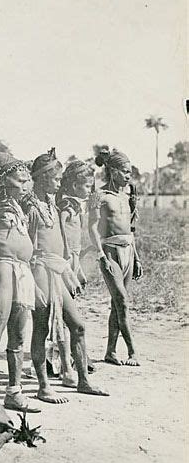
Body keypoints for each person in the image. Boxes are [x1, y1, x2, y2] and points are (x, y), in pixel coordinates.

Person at [22, 148, 108, 396]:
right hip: (40, 271)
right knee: (41, 328)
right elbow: (27, 248)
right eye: (56, 179)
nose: (60, 184)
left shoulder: (51, 204)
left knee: (77, 326)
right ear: (41, 178)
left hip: (57, 271)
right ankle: (43, 386)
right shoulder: (30, 208)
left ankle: (82, 381)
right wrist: (34, 284)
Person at [0, 152, 40, 412]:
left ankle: (13, 391)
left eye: (27, 181)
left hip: (23, 271)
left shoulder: (19, 206)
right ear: (2, 180)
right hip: (2, 268)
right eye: (19, 180)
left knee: (19, 333)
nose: (25, 185)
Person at [88, 148, 143, 366]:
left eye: (130, 172)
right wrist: (101, 255)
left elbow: (131, 230)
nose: (128, 176)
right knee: (122, 300)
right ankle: (132, 351)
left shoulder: (128, 194)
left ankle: (110, 351)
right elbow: (91, 228)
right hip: (109, 251)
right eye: (124, 171)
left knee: (116, 304)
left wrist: (137, 258)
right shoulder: (98, 196)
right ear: (112, 171)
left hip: (128, 251)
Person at [56, 159, 97, 377]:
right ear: (74, 186)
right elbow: (62, 231)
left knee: (69, 310)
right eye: (86, 186)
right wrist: (67, 262)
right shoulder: (66, 205)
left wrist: (78, 268)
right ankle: (64, 361)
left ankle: (72, 357)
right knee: (64, 314)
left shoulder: (75, 206)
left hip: (73, 259)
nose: (89, 190)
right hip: (64, 260)